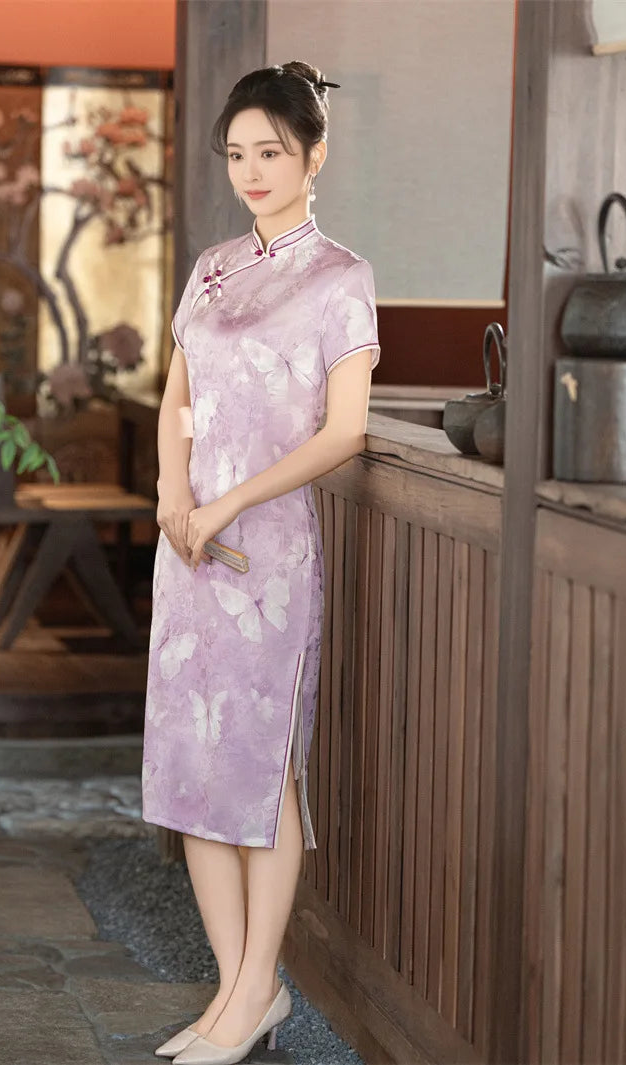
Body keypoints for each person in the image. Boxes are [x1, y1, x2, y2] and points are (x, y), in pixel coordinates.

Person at [144, 60, 381, 1065]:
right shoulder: (207, 269)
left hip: (267, 551)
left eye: (269, 153)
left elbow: (345, 432)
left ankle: (253, 993)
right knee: (193, 766)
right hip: (187, 546)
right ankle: (234, 992)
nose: (250, 170)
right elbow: (177, 399)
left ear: (312, 155)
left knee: (262, 768)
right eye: (236, 154)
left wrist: (231, 499)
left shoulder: (341, 277)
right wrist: (172, 499)